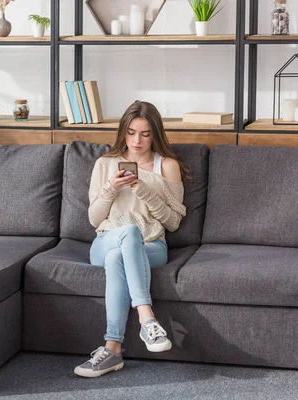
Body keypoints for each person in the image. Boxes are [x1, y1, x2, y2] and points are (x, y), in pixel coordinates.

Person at [74, 101, 190, 378]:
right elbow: (94, 219)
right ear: (122, 133)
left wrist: (143, 189)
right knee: (125, 236)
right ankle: (146, 317)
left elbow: (173, 222)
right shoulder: (104, 164)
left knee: (121, 254)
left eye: (145, 134)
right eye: (131, 132)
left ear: (155, 134)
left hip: (151, 246)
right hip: (106, 240)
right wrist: (111, 189)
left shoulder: (167, 166)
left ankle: (112, 349)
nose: (137, 141)